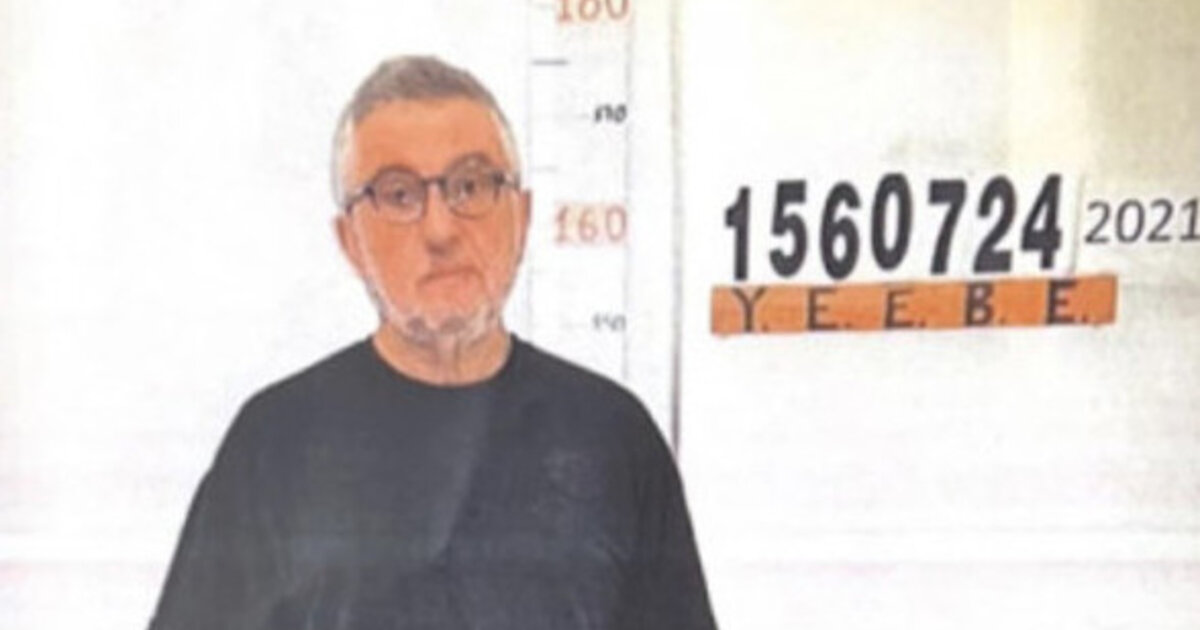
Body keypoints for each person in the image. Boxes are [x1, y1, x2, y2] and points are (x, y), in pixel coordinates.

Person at [149, 55, 717, 630]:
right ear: (350, 240)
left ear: (522, 217)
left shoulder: (612, 436)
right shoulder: (274, 445)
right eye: (398, 196)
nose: (441, 229)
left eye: (470, 185)